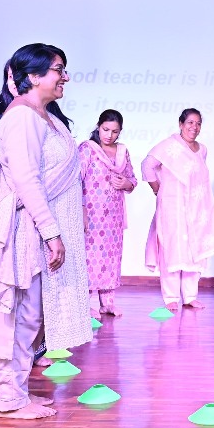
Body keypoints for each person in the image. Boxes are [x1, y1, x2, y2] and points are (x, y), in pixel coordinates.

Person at [0, 43, 93, 420]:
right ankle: (8, 398)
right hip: (29, 229)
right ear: (33, 76)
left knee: (34, 316)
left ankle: (18, 392)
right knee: (23, 315)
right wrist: (51, 232)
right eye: (59, 69)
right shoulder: (22, 118)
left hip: (42, 227)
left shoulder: (44, 116)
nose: (65, 77)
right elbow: (27, 181)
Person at [0, 62, 71, 335]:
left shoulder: (50, 114)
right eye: (9, 76)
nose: (13, 81)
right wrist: (17, 194)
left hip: (38, 195)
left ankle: (37, 340)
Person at [142, 108, 214, 311]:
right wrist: (157, 189)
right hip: (173, 206)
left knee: (193, 249)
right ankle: (170, 297)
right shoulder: (168, 146)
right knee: (172, 248)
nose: (194, 127)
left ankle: (190, 296)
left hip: (196, 208)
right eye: (190, 122)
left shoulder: (202, 149)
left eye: (198, 123)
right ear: (181, 124)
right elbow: (147, 165)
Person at [79, 109, 137, 318]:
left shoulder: (122, 152)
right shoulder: (87, 149)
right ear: (98, 126)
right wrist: (81, 209)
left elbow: (132, 179)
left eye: (114, 131)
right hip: (91, 214)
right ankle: (84, 304)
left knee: (111, 257)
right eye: (105, 129)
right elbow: (76, 180)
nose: (109, 135)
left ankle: (108, 303)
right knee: (89, 257)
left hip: (114, 216)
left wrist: (126, 183)